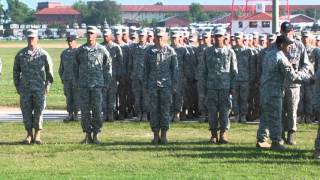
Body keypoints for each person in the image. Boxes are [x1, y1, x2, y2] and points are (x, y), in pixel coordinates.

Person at [257, 35, 310, 150]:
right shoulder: (281, 57)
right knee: (276, 116)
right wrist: (309, 80)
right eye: (289, 45)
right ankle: (276, 142)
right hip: (274, 92)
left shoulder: (268, 54)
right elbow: (292, 76)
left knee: (266, 116)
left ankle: (261, 140)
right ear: (281, 45)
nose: (290, 48)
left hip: (265, 90)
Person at [13, 29, 54, 144]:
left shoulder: (43, 54)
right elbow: (16, 71)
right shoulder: (21, 54)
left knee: (39, 111)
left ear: (37, 39)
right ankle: (29, 135)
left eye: (33, 38)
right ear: (27, 39)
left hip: (39, 88)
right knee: (26, 111)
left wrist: (48, 86)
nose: (31, 40)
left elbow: (49, 72)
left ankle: (37, 135)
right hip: (25, 89)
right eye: (29, 38)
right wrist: (17, 85)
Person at [75, 26, 112, 144]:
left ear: (96, 35)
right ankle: (87, 134)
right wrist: (77, 83)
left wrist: (106, 83)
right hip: (84, 86)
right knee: (85, 111)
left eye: (92, 33)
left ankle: (96, 135)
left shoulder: (102, 50)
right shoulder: (80, 50)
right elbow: (75, 67)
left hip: (97, 86)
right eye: (88, 33)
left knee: (97, 110)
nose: (90, 35)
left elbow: (108, 67)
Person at [202, 28, 238, 144]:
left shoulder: (230, 52)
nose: (218, 38)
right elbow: (203, 71)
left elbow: (234, 71)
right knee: (212, 111)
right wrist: (203, 87)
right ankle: (213, 134)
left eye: (220, 36)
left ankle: (223, 134)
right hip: (211, 87)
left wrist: (233, 87)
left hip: (225, 88)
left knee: (224, 111)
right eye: (216, 36)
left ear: (224, 37)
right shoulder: (207, 52)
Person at [144, 27, 178, 144]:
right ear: (154, 38)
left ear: (165, 38)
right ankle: (155, 135)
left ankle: (164, 134)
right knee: (154, 110)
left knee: (165, 110)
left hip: (166, 86)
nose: (159, 39)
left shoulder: (170, 51)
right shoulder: (149, 51)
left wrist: (174, 86)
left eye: (161, 37)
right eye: (157, 37)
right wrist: (146, 86)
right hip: (152, 85)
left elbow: (175, 70)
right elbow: (146, 70)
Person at [280, 22, 312, 145]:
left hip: (294, 85)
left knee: (292, 110)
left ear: (292, 31)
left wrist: (299, 74)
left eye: (289, 32)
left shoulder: (299, 46)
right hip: (280, 84)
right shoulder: (278, 45)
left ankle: (291, 134)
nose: (287, 34)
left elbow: (306, 64)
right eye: (285, 32)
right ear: (281, 32)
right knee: (281, 110)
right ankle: (281, 134)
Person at [101, 28, 123, 122]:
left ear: (111, 36)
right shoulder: (100, 47)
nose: (105, 37)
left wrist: (119, 75)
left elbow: (120, 62)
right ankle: (104, 114)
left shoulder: (116, 47)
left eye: (107, 36)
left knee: (112, 96)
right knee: (103, 96)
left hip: (113, 76)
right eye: (104, 35)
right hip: (102, 76)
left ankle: (111, 114)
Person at [129, 29, 150, 121]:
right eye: (140, 36)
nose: (141, 37)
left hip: (146, 77)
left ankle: (145, 113)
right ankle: (139, 113)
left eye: (143, 35)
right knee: (137, 96)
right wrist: (131, 73)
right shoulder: (133, 48)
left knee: (146, 96)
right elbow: (130, 62)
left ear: (146, 36)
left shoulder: (150, 48)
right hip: (136, 76)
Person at [232, 32, 254, 123]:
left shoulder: (248, 51)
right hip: (234, 79)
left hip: (245, 78)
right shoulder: (231, 50)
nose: (237, 40)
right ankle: (236, 115)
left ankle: (243, 115)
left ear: (242, 40)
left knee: (244, 98)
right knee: (235, 98)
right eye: (235, 39)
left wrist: (251, 78)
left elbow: (252, 66)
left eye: (238, 39)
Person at [59, 32, 79, 122]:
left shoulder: (79, 52)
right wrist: (62, 77)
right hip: (67, 79)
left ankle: (75, 114)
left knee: (76, 97)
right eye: (68, 41)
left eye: (71, 41)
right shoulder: (64, 53)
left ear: (75, 41)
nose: (69, 42)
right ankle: (70, 114)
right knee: (68, 97)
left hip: (76, 79)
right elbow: (61, 68)